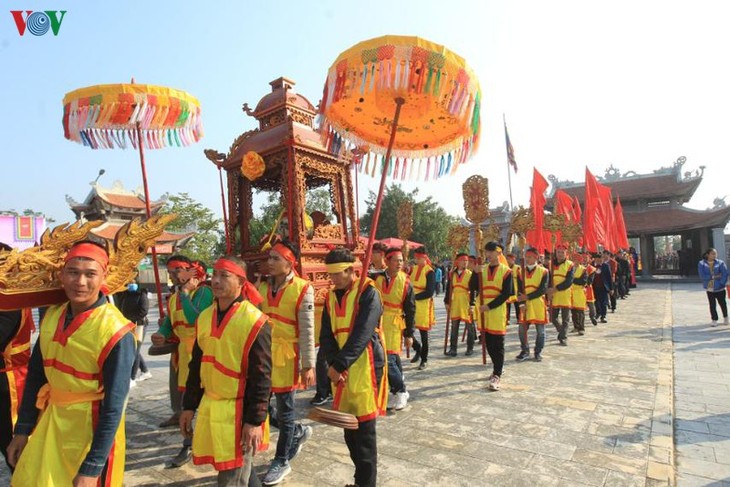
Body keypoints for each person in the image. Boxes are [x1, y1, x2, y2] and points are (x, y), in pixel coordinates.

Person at [7, 240, 136, 485]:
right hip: (51, 423)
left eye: (90, 274)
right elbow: (37, 375)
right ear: (61, 274)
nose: (80, 282)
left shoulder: (115, 332)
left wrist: (92, 466)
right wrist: (22, 429)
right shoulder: (53, 314)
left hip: (88, 432)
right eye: (73, 272)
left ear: (104, 276)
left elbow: (114, 406)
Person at [180, 256, 271, 486]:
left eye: (224, 275)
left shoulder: (255, 321)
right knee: (242, 473)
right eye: (214, 275)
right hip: (212, 405)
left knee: (232, 478)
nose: (216, 281)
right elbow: (196, 365)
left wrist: (254, 421)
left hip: (239, 411)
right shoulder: (204, 317)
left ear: (241, 282)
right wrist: (189, 405)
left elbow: (262, 376)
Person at [319, 248, 387, 487]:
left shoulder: (369, 293)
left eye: (338, 274)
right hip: (341, 369)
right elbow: (326, 334)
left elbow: (363, 333)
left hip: (366, 367)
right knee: (349, 430)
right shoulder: (329, 296)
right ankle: (360, 481)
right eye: (331, 274)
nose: (333, 279)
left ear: (351, 270)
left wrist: (340, 363)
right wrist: (332, 362)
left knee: (365, 434)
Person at [259, 241, 315, 485]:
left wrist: (308, 364)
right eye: (269, 258)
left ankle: (281, 459)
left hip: (287, 356)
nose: (269, 262)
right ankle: (297, 431)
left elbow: (307, 330)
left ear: (289, 262)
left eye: (275, 258)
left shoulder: (303, 288)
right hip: (262, 355)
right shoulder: (261, 285)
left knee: (286, 407)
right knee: (261, 407)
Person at [151, 254, 214, 468]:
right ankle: (188, 438)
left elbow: (195, 318)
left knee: (198, 399)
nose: (174, 276)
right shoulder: (174, 297)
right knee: (183, 397)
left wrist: (186, 295)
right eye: (170, 272)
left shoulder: (204, 292)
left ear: (191, 270)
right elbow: (170, 322)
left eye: (178, 270)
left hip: (202, 352)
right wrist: (161, 333)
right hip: (182, 354)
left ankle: (195, 442)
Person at [374, 247, 415, 411]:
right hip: (379, 322)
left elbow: (411, 309)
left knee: (387, 360)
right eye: (396, 260)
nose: (399, 263)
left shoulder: (405, 281)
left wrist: (409, 334)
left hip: (394, 324)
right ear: (387, 261)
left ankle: (401, 390)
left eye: (401, 260)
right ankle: (398, 386)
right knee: (392, 358)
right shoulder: (377, 278)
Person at [470, 242, 513, 391]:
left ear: (499, 253)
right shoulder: (482, 269)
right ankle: (496, 368)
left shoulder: (506, 271)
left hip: (496, 310)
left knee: (498, 343)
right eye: (487, 252)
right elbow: (473, 287)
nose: (488, 255)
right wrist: (475, 273)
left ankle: (497, 373)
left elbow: (507, 293)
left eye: (491, 252)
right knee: (487, 342)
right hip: (482, 310)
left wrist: (489, 306)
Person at [114, 280, 152, 386]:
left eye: (132, 283)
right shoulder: (125, 295)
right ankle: (145, 371)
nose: (131, 285)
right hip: (127, 325)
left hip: (139, 325)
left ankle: (132, 377)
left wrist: (131, 319)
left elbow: (144, 311)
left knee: (135, 349)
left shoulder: (142, 295)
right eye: (129, 283)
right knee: (134, 349)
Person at [515, 248, 549, 362]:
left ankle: (538, 351)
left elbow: (543, 289)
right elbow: (519, 289)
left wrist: (528, 297)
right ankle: (525, 350)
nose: (528, 259)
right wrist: (522, 303)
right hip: (525, 304)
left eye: (530, 257)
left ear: (536, 258)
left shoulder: (544, 271)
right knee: (521, 329)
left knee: (540, 330)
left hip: (538, 302)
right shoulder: (520, 271)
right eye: (527, 257)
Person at [444, 253, 476, 356]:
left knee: (470, 326)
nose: (465, 263)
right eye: (463, 261)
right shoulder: (452, 274)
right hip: (455, 301)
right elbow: (449, 289)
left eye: (466, 261)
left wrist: (472, 304)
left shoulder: (470, 274)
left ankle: (470, 348)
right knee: (454, 326)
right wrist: (447, 302)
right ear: (457, 262)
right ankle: (453, 349)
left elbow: (474, 290)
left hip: (466, 300)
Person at [409, 247, 435, 370]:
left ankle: (424, 359)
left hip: (424, 304)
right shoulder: (413, 269)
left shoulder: (430, 272)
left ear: (424, 257)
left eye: (418, 258)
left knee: (424, 333)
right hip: (412, 303)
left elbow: (429, 292)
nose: (416, 260)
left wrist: (414, 297)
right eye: (416, 258)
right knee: (406, 328)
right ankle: (417, 348)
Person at [548, 244, 574, 346]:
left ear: (566, 254)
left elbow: (569, 281)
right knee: (552, 317)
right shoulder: (551, 264)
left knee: (565, 319)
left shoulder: (570, 265)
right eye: (558, 252)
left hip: (565, 294)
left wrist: (556, 288)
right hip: (553, 295)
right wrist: (549, 291)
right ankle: (561, 331)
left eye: (562, 252)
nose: (560, 254)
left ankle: (563, 337)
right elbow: (548, 279)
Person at [698, 248, 729, 326]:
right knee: (712, 304)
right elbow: (702, 276)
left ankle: (725, 317)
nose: (715, 255)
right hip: (710, 287)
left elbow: (724, 274)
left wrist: (722, 283)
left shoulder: (720, 263)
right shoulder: (702, 263)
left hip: (720, 287)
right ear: (708, 254)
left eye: (715, 254)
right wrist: (714, 276)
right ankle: (714, 319)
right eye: (713, 254)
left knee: (722, 303)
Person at [570, 252, 588, 336]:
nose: (575, 261)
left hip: (579, 292)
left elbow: (583, 281)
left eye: (576, 260)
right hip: (571, 292)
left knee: (580, 311)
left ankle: (581, 328)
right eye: (573, 260)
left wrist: (573, 279)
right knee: (573, 311)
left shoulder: (583, 269)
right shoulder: (569, 269)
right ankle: (576, 326)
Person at [592, 253, 612, 323]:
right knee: (596, 301)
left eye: (600, 260)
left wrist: (611, 288)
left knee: (604, 302)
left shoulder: (606, 266)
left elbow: (609, 278)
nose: (599, 261)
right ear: (595, 259)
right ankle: (598, 313)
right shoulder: (591, 266)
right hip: (594, 287)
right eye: (597, 260)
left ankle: (603, 316)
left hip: (603, 287)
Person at [505, 253, 521, 323]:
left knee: (517, 305)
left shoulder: (517, 268)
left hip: (516, 288)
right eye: (507, 259)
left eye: (510, 259)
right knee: (507, 305)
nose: (509, 261)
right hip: (508, 288)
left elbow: (520, 279)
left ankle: (519, 318)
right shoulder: (505, 267)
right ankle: (507, 319)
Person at [583, 253, 599, 326]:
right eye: (583, 258)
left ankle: (592, 317)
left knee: (591, 304)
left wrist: (585, 283)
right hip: (579, 289)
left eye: (586, 258)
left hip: (588, 288)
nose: (584, 260)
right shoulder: (577, 267)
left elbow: (590, 280)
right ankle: (580, 321)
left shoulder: (591, 268)